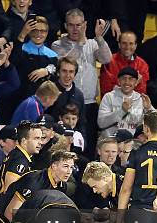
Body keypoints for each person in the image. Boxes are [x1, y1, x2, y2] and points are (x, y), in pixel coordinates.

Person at [52, 8, 112, 159]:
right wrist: (80, 44)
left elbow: (106, 59)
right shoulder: (57, 45)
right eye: (71, 25)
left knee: (88, 145)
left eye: (78, 25)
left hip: (90, 103)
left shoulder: (92, 43)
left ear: (84, 25)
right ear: (65, 25)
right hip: (68, 101)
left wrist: (99, 37)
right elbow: (66, 61)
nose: (75, 29)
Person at [98, 67, 153, 138]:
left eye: (131, 79)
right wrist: (122, 111)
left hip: (134, 143)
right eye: (124, 78)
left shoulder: (141, 99)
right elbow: (101, 123)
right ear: (119, 81)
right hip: (112, 143)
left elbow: (156, 124)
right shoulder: (109, 97)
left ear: (136, 82)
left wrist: (149, 108)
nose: (127, 82)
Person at [100, 31, 149, 97]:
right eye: (124, 43)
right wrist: (134, 83)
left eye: (131, 43)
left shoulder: (142, 65)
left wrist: (120, 85)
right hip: (112, 104)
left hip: (134, 105)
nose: (127, 47)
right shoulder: (109, 61)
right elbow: (106, 88)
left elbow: (142, 92)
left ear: (135, 46)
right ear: (119, 45)